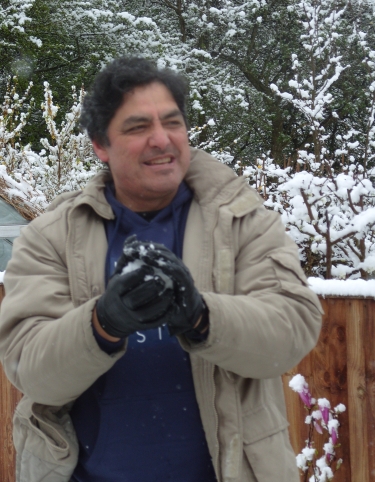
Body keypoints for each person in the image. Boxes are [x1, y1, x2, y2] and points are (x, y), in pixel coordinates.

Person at [0, 57, 322, 482]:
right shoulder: (51, 236)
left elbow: (291, 332)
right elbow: (30, 370)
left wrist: (201, 316)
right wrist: (102, 323)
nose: (161, 139)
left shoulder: (243, 220)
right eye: (137, 127)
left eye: (172, 122)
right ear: (100, 145)